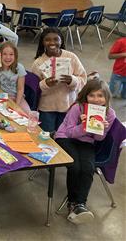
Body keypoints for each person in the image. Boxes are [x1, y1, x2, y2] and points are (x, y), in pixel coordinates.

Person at [54, 80, 116, 224]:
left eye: (100, 96)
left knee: (88, 168)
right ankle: (72, 202)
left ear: (106, 98)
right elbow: (69, 132)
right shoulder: (78, 108)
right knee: (74, 166)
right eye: (92, 95)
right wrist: (84, 126)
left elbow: (99, 139)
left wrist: (101, 128)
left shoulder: (110, 114)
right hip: (66, 138)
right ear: (86, 96)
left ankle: (80, 204)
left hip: (87, 142)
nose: (96, 100)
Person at [31, 27, 87, 132]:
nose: (52, 42)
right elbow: (34, 89)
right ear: (43, 42)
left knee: (64, 135)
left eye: (56, 39)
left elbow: (83, 79)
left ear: (61, 41)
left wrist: (73, 80)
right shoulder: (38, 63)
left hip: (68, 106)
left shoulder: (71, 57)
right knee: (47, 136)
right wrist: (45, 84)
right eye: (47, 39)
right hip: (46, 108)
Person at [0, 41, 31, 115]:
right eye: (4, 54)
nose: (8, 57)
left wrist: (16, 105)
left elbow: (20, 89)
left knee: (28, 114)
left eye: (11, 54)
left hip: (16, 97)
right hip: (0, 96)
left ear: (15, 56)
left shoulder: (19, 68)